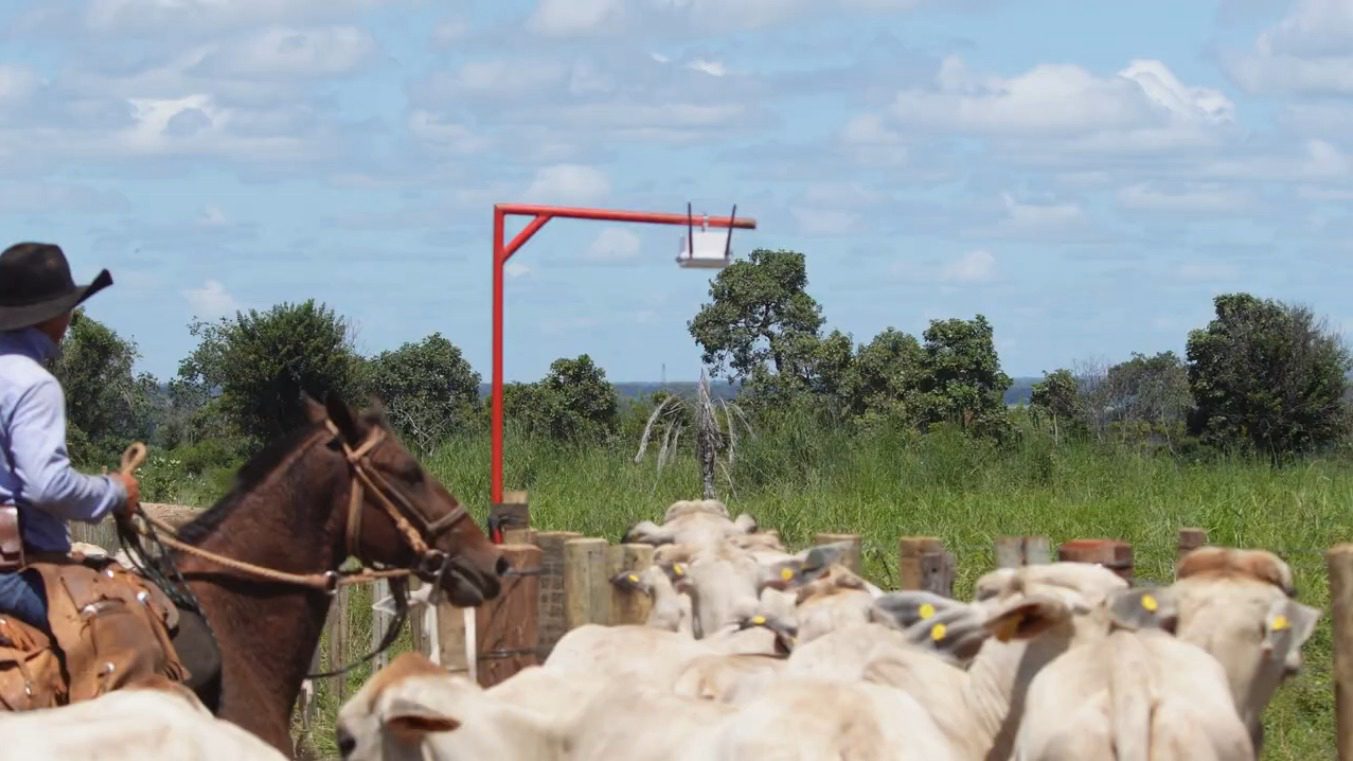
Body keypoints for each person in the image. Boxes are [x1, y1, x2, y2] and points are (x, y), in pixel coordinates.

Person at [0, 242, 140, 630]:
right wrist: (115, 491)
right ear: (53, 315)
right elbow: (47, 486)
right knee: (129, 627)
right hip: (12, 573)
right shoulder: (33, 384)